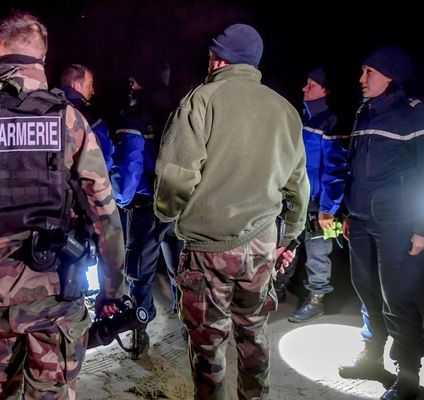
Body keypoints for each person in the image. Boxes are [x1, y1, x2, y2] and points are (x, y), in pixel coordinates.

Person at [0, 10, 124, 399]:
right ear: (43, 57)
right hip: (55, 294)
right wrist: (112, 288)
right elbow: (105, 215)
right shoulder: (70, 122)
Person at [154, 23, 309, 399]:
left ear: (219, 59)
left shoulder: (201, 101)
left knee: (208, 344)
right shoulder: (286, 110)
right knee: (254, 330)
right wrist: (288, 237)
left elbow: (175, 179)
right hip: (260, 245)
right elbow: (299, 188)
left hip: (209, 248)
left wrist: (168, 216)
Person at [338, 45, 424, 400]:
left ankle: (407, 375)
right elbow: (353, 169)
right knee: (366, 290)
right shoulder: (364, 112)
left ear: (390, 76)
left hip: (396, 224)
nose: (361, 79)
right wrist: (346, 211)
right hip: (359, 220)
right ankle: (372, 357)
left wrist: (421, 228)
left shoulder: (413, 114)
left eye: (368, 72)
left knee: (398, 298)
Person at [110, 60, 183, 359]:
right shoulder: (179, 112)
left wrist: (122, 199)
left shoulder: (134, 114)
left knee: (139, 273)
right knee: (182, 268)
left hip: (146, 208)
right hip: (178, 205)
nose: (129, 82)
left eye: (134, 78)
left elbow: (129, 164)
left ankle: (139, 330)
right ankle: (192, 324)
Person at [281, 67, 348, 323]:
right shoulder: (302, 119)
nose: (304, 88)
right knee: (287, 246)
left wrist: (329, 209)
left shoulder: (332, 122)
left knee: (319, 252)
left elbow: (336, 171)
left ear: (326, 90)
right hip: (296, 200)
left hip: (321, 206)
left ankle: (316, 300)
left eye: (311, 84)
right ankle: (277, 290)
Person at [60, 63, 114, 170]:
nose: (92, 91)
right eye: (89, 85)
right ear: (76, 86)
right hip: (81, 180)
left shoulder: (46, 107)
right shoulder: (89, 114)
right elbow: (104, 154)